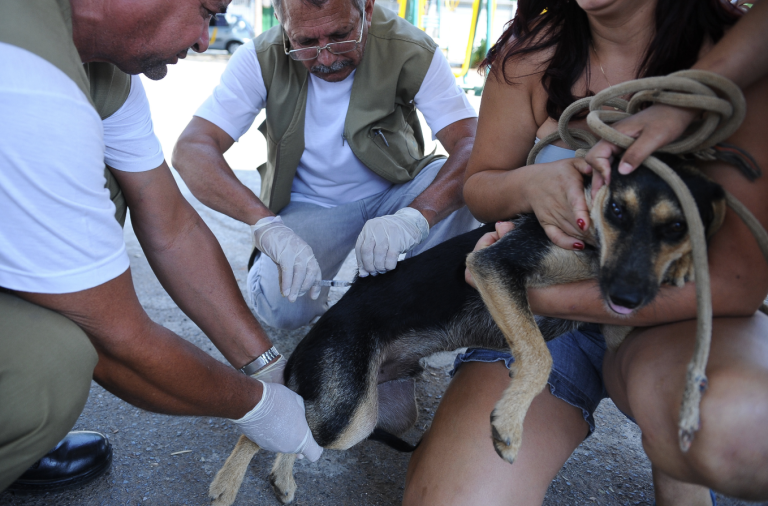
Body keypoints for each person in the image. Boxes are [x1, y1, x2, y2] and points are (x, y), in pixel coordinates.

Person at [403, 1, 768, 505]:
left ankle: (672, 452)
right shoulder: (530, 52)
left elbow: (735, 282)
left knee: (744, 434)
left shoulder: (741, 53)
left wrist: (541, 299)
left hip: (669, 313)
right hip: (547, 314)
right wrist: (537, 183)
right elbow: (480, 186)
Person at [0, 0, 322, 493]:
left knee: (112, 181)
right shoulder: (30, 81)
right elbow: (117, 339)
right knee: (49, 366)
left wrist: (266, 365)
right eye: (205, 11)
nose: (202, 40)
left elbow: (171, 226)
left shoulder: (102, 71)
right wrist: (258, 406)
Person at [172, 0, 480, 330]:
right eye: (305, 42)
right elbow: (191, 150)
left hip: (397, 191)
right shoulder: (260, 56)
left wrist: (417, 216)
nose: (327, 57)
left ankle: (409, 314)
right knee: (283, 310)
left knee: (468, 191)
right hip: (310, 204)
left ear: (368, 10)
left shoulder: (410, 47)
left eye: (341, 34)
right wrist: (266, 226)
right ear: (282, 22)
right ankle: (272, 272)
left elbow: (471, 143)